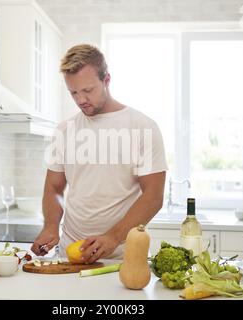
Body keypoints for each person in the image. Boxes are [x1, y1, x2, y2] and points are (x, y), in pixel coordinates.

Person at [31, 44, 167, 262]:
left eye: (87, 90)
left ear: (107, 80)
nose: (81, 100)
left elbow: (153, 197)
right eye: (73, 92)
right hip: (70, 251)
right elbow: (54, 187)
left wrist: (113, 237)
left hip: (122, 254)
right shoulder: (65, 130)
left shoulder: (142, 127)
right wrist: (50, 226)